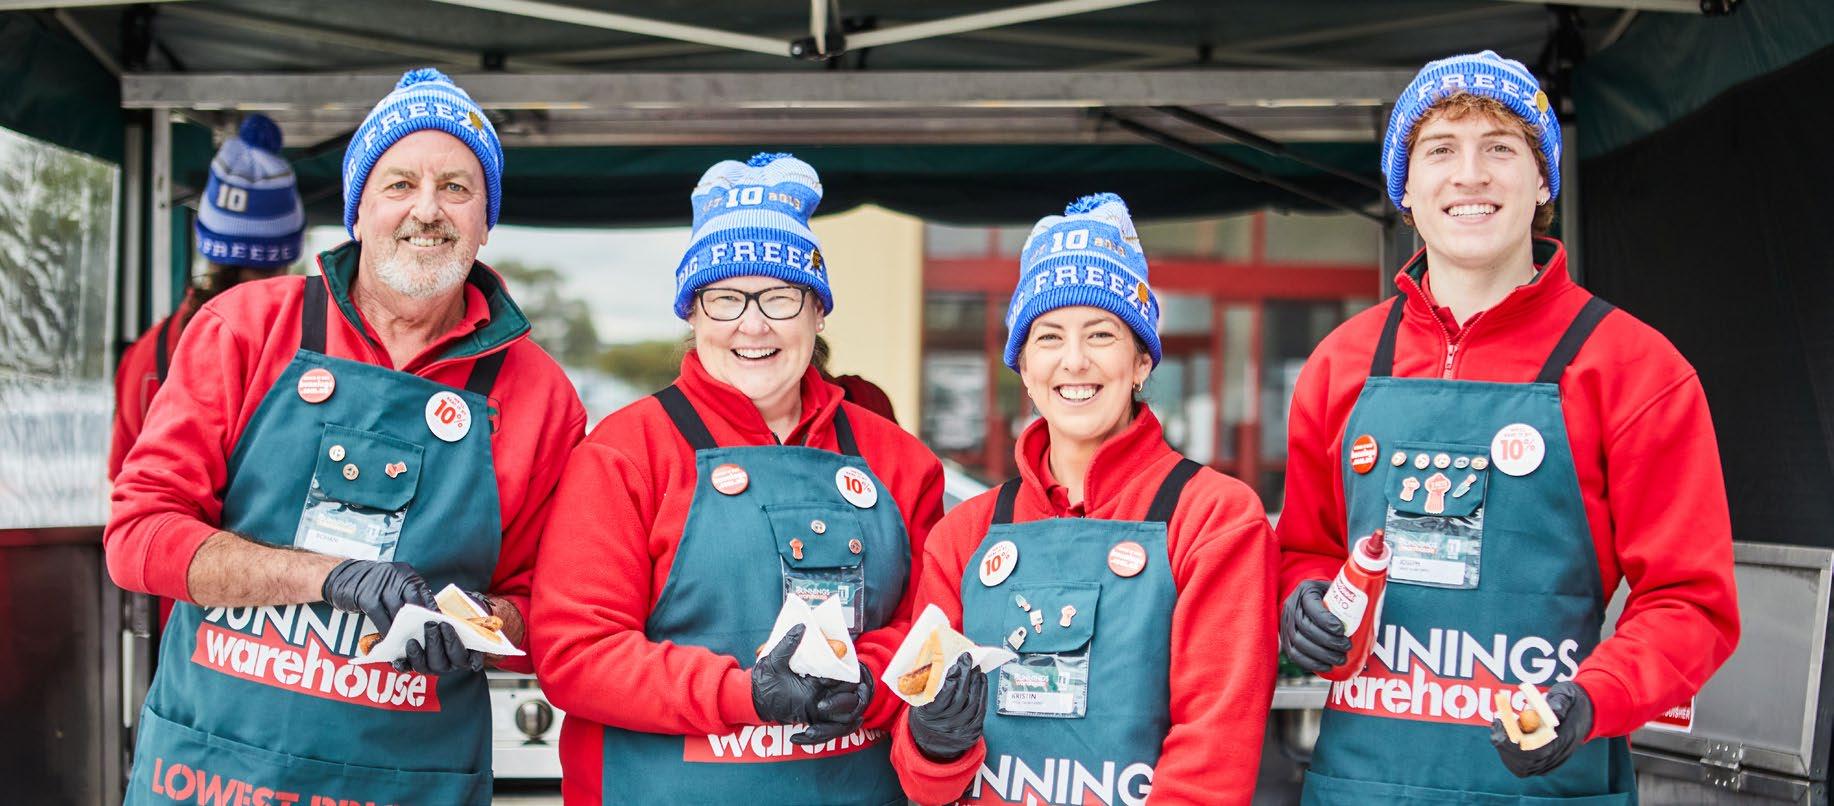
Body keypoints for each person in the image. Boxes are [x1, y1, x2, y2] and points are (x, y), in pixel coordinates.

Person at [107, 68, 586, 804]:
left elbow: (548, 607)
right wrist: (329, 577)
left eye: (456, 187)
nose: (427, 209)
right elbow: (139, 536)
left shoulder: (541, 397)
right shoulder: (245, 329)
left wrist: (484, 626)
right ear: (358, 210)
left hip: (408, 784)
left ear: (486, 220)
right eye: (400, 183)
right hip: (213, 773)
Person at [1276, 51, 1739, 803]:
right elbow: (1306, 550)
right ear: (1404, 188)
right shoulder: (1341, 363)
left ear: (1544, 179)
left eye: (1499, 147)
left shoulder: (1635, 369)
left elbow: (1690, 601)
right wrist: (1301, 601)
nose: (1470, 175)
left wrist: (1592, 698)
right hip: (1362, 783)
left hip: (1548, 784)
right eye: (1440, 150)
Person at [530, 152, 945, 805]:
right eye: (725, 298)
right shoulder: (626, 453)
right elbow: (577, 653)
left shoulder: (899, 462)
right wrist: (744, 693)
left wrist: (869, 680)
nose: (753, 325)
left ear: (818, 312)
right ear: (693, 313)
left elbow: (931, 628)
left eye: (781, 297)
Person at [890, 193, 1279, 806]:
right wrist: (933, 741)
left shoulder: (1213, 518)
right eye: (1049, 337)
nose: (1074, 361)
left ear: (1142, 360)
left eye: (1101, 334)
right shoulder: (963, 536)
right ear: (1024, 367)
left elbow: (1213, 755)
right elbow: (921, 780)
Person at [110, 113, 304, 481]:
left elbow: (123, 487)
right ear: (288, 253)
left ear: (207, 244)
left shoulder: (144, 358)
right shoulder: (308, 354)